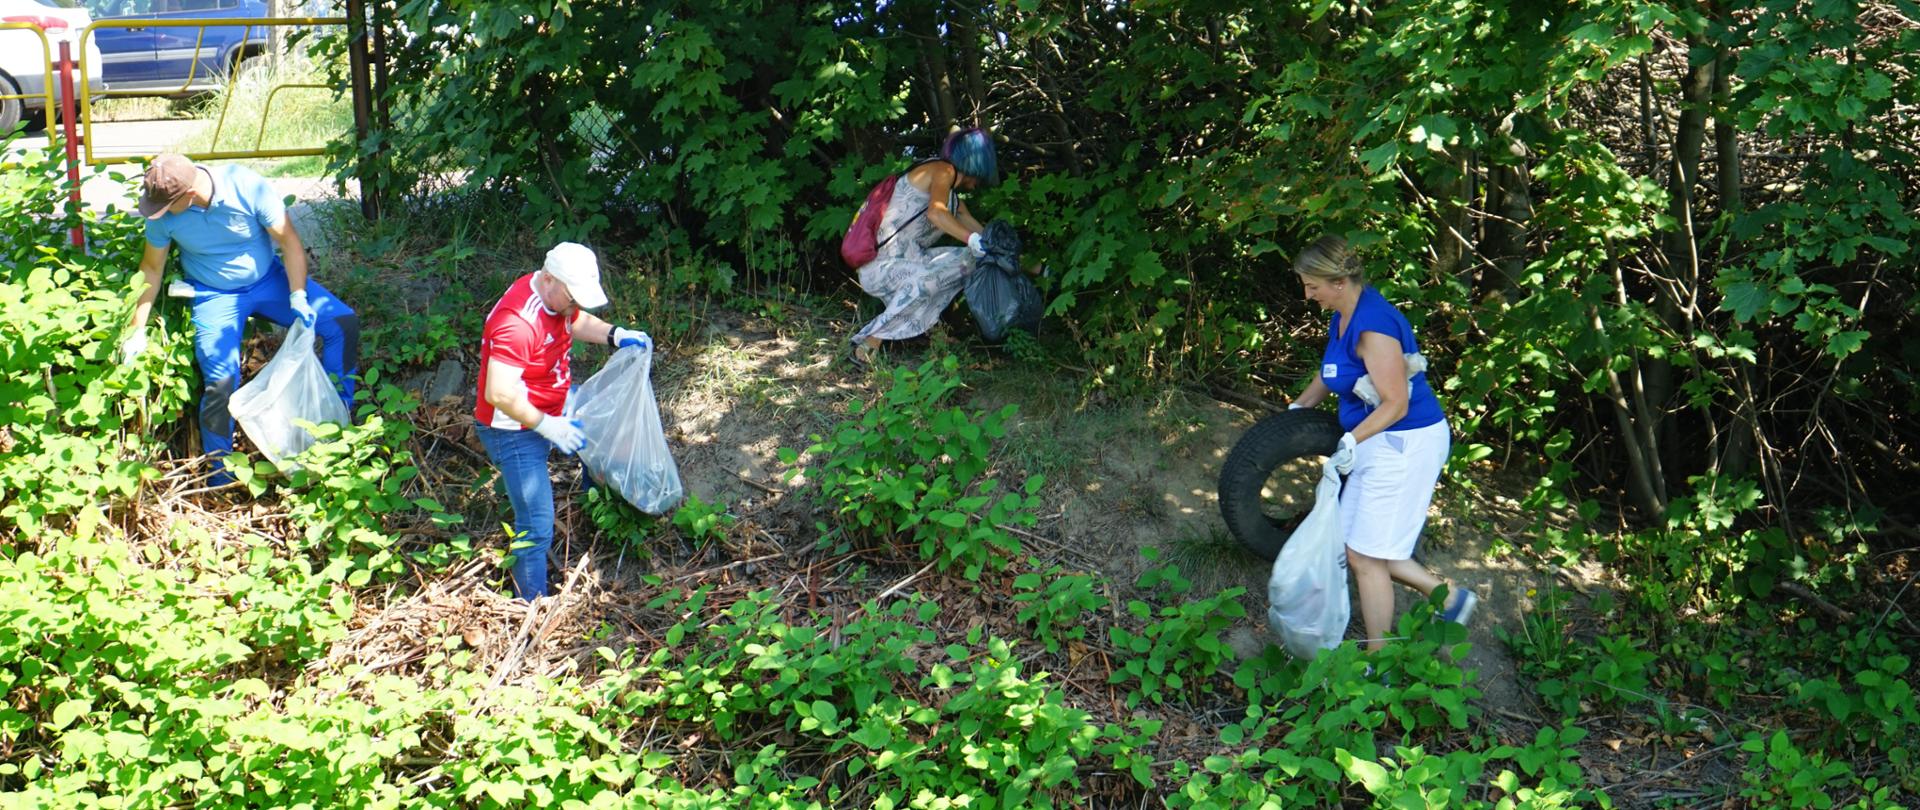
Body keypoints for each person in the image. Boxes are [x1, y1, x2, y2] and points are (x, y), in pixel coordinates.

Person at [1284, 235, 1476, 651]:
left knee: (1367, 557)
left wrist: (1352, 438)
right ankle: (1448, 596)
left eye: (1312, 285)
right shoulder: (1343, 315)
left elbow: (1397, 404)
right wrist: (1295, 411)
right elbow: (1331, 373)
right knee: (1357, 549)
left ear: (1337, 281)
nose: (1308, 294)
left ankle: (1379, 659)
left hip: (1403, 445)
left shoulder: (1373, 326)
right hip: (1377, 441)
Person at [120, 153, 359, 485]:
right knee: (220, 382)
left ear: (188, 195)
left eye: (163, 205)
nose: (154, 211)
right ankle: (219, 476)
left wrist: (298, 294)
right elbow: (151, 268)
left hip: (269, 281)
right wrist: (136, 330)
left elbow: (289, 243)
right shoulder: (162, 211)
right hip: (213, 294)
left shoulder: (246, 186)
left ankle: (339, 424)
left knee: (343, 324)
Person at [474, 242, 651, 600]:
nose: (575, 305)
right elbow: (499, 393)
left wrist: (614, 334)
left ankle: (596, 518)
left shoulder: (554, 296)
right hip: (514, 429)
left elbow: (574, 319)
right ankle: (531, 605)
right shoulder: (516, 324)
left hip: (553, 401)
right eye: (572, 297)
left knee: (600, 435)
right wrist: (546, 426)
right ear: (550, 279)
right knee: (536, 525)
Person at [847, 127, 1000, 369]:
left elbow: (986, 241)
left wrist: (1019, 260)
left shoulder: (953, 198)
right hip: (880, 268)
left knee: (967, 260)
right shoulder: (943, 170)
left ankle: (932, 332)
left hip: (906, 263)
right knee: (931, 277)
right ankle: (870, 340)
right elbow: (936, 213)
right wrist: (971, 239)